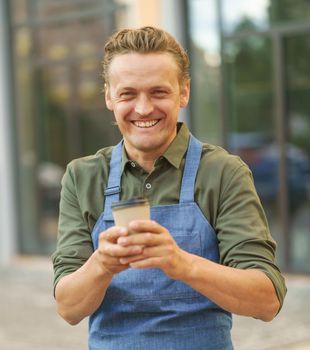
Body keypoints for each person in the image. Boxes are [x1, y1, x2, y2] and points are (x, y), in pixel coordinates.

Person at [52, 26, 286, 350]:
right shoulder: (82, 177)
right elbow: (68, 307)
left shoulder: (222, 173)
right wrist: (102, 265)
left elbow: (267, 301)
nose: (144, 108)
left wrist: (182, 263)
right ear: (109, 96)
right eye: (128, 94)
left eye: (158, 92)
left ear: (184, 92)